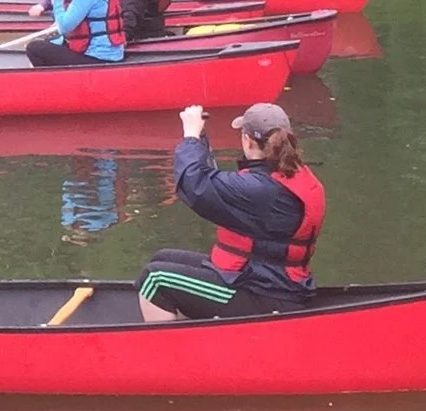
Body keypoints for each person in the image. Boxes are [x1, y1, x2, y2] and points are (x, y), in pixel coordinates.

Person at [137, 102, 324, 321]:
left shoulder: (261, 189)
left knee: (155, 279)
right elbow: (212, 186)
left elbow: (193, 185)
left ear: (247, 140)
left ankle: (168, 343)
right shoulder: (290, 175)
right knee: (162, 257)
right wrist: (200, 139)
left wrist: (190, 136)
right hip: (270, 281)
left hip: (265, 294)